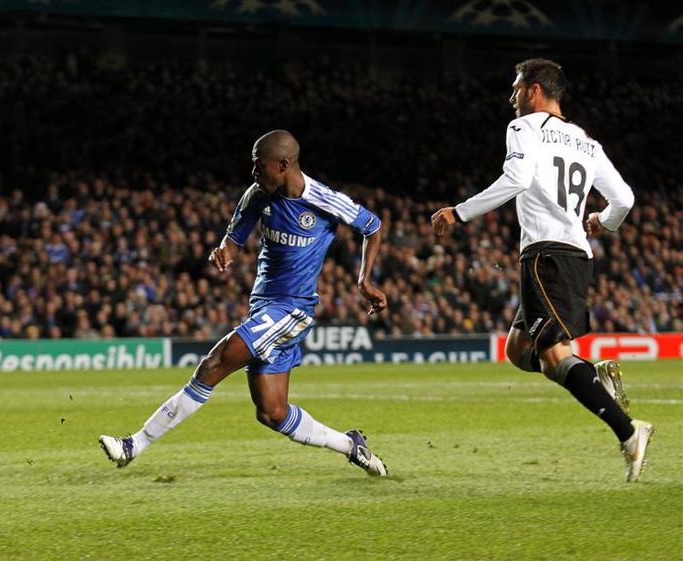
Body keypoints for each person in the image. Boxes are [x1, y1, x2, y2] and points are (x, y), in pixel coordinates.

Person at [100, 130, 389, 476]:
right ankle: (351, 445)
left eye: (259, 166)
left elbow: (373, 226)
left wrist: (364, 280)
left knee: (214, 363)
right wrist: (224, 251)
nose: (254, 173)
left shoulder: (323, 200)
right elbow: (234, 237)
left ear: (283, 165)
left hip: (292, 310)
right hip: (263, 306)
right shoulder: (257, 194)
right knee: (272, 413)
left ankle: (134, 444)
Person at [431, 59, 653, 482]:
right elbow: (623, 198)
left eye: (516, 88)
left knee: (553, 356)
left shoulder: (524, 127)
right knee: (519, 351)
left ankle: (629, 431)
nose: (511, 97)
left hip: (547, 255)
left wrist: (460, 212)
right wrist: (602, 222)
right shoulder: (587, 143)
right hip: (572, 254)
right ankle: (591, 377)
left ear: (534, 90)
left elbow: (516, 178)